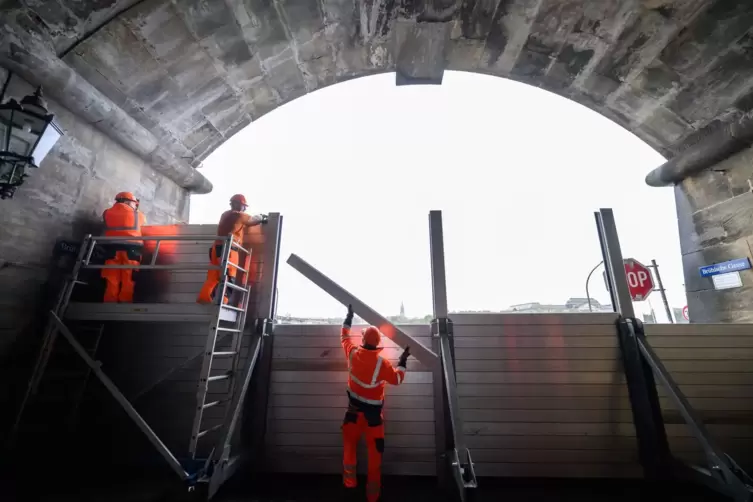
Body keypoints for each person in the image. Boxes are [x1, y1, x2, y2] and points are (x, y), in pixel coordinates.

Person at [340, 304, 411, 502]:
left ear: (362, 340)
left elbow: (344, 336)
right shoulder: (382, 364)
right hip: (373, 420)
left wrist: (349, 317)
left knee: (349, 450)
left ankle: (349, 487)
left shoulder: (352, 354)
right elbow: (397, 380)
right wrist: (403, 361)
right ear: (378, 343)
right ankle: (373, 495)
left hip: (352, 415)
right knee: (375, 457)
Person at [197, 194, 268, 304]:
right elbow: (254, 220)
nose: (244, 208)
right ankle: (224, 302)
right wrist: (262, 217)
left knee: (213, 275)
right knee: (229, 276)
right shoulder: (240, 216)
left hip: (216, 248)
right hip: (229, 249)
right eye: (244, 206)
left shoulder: (224, 214)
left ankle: (204, 298)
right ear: (239, 205)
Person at [101, 192, 146, 303]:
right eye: (134, 203)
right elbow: (144, 224)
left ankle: (109, 303)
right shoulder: (138, 215)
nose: (135, 206)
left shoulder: (107, 213)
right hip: (132, 248)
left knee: (111, 276)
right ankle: (125, 303)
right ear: (127, 201)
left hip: (112, 248)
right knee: (129, 277)